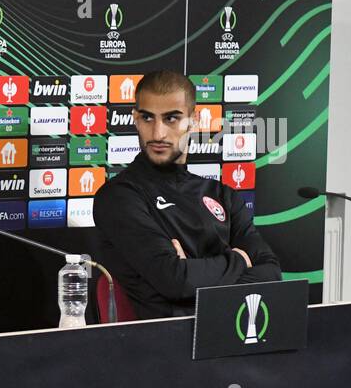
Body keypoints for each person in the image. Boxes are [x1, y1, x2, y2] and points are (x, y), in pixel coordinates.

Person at [93, 70, 280, 318]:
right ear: (136, 119)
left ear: (194, 121)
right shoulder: (119, 197)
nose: (158, 133)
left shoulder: (222, 195)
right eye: (148, 118)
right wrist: (239, 259)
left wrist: (193, 273)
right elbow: (176, 281)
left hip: (237, 337)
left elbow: (271, 274)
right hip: (164, 348)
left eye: (172, 119)